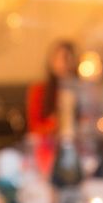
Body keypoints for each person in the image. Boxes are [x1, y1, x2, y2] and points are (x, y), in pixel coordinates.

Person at [26, 41, 78, 176]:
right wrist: (57, 123)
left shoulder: (80, 90)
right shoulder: (39, 90)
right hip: (48, 152)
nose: (64, 64)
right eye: (60, 58)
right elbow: (34, 127)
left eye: (68, 58)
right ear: (51, 61)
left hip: (76, 150)